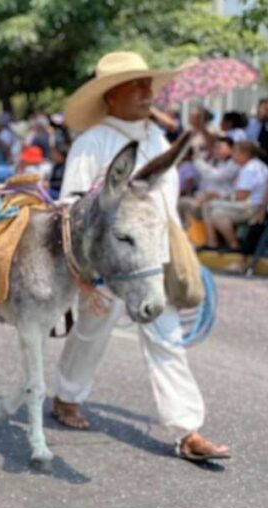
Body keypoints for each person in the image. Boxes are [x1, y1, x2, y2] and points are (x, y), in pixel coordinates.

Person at [52, 50, 230, 461]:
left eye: (148, 84)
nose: (148, 91)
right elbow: (70, 206)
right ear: (112, 94)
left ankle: (188, 429)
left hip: (153, 260)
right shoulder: (93, 141)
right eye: (137, 84)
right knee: (93, 333)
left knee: (166, 336)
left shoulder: (158, 138)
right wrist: (82, 274)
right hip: (109, 265)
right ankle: (66, 395)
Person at [202, 141, 267, 251]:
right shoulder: (259, 165)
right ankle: (213, 242)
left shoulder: (249, 169)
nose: (233, 157)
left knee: (213, 210)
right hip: (254, 205)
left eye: (235, 153)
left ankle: (231, 244)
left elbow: (241, 197)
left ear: (245, 154)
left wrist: (219, 196)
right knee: (210, 206)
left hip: (252, 207)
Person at [179, 137, 239, 221]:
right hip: (205, 198)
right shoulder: (214, 161)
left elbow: (216, 176)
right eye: (215, 148)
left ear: (231, 149)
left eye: (219, 147)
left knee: (183, 203)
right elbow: (204, 181)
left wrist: (198, 161)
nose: (216, 150)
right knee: (182, 202)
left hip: (222, 201)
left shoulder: (234, 164)